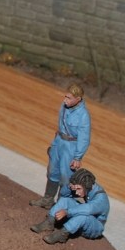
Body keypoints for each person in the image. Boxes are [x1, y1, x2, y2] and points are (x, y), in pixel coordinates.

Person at [29, 83, 91, 215]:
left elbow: (84, 138)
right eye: (65, 96)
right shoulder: (64, 107)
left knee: (66, 177)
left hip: (70, 146)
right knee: (52, 171)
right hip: (59, 142)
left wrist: (77, 157)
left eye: (69, 98)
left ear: (78, 99)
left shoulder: (83, 115)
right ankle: (47, 199)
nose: (65, 100)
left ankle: (60, 206)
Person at [36, 168, 109, 244]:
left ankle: (63, 234)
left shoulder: (101, 198)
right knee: (65, 200)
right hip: (86, 218)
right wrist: (69, 187)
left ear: (87, 186)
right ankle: (49, 222)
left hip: (95, 227)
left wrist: (67, 212)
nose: (77, 192)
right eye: (76, 189)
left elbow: (88, 209)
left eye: (79, 189)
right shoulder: (86, 187)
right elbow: (63, 194)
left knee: (83, 216)